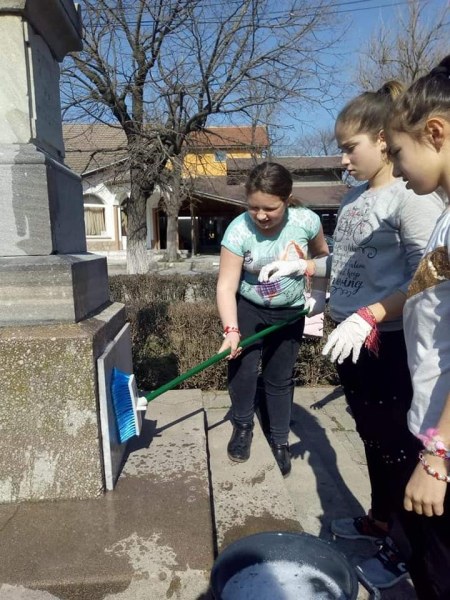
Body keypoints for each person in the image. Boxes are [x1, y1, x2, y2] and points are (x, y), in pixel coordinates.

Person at [261, 83, 444, 587]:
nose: (343, 159)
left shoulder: (412, 199)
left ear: (385, 141)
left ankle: (405, 548)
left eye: (350, 147)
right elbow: (349, 262)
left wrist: (371, 314)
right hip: (351, 336)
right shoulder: (358, 196)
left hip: (387, 340)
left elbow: (428, 277)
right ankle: (382, 518)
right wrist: (305, 269)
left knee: (399, 447)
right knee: (371, 436)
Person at [382, 55, 450, 600]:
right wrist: (372, 313)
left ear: (436, 132)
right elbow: (426, 290)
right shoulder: (446, 215)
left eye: (398, 152)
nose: (396, 168)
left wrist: (440, 455)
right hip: (431, 421)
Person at [216, 161, 329, 477]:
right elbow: (226, 284)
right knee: (243, 368)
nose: (261, 216)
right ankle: (242, 426)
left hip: (290, 311)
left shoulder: (305, 222)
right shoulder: (239, 229)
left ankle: (279, 438)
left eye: (270, 208)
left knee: (280, 377)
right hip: (249, 308)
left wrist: (318, 294)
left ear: (288, 198)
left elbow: (322, 257)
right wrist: (231, 329)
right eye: (253, 207)